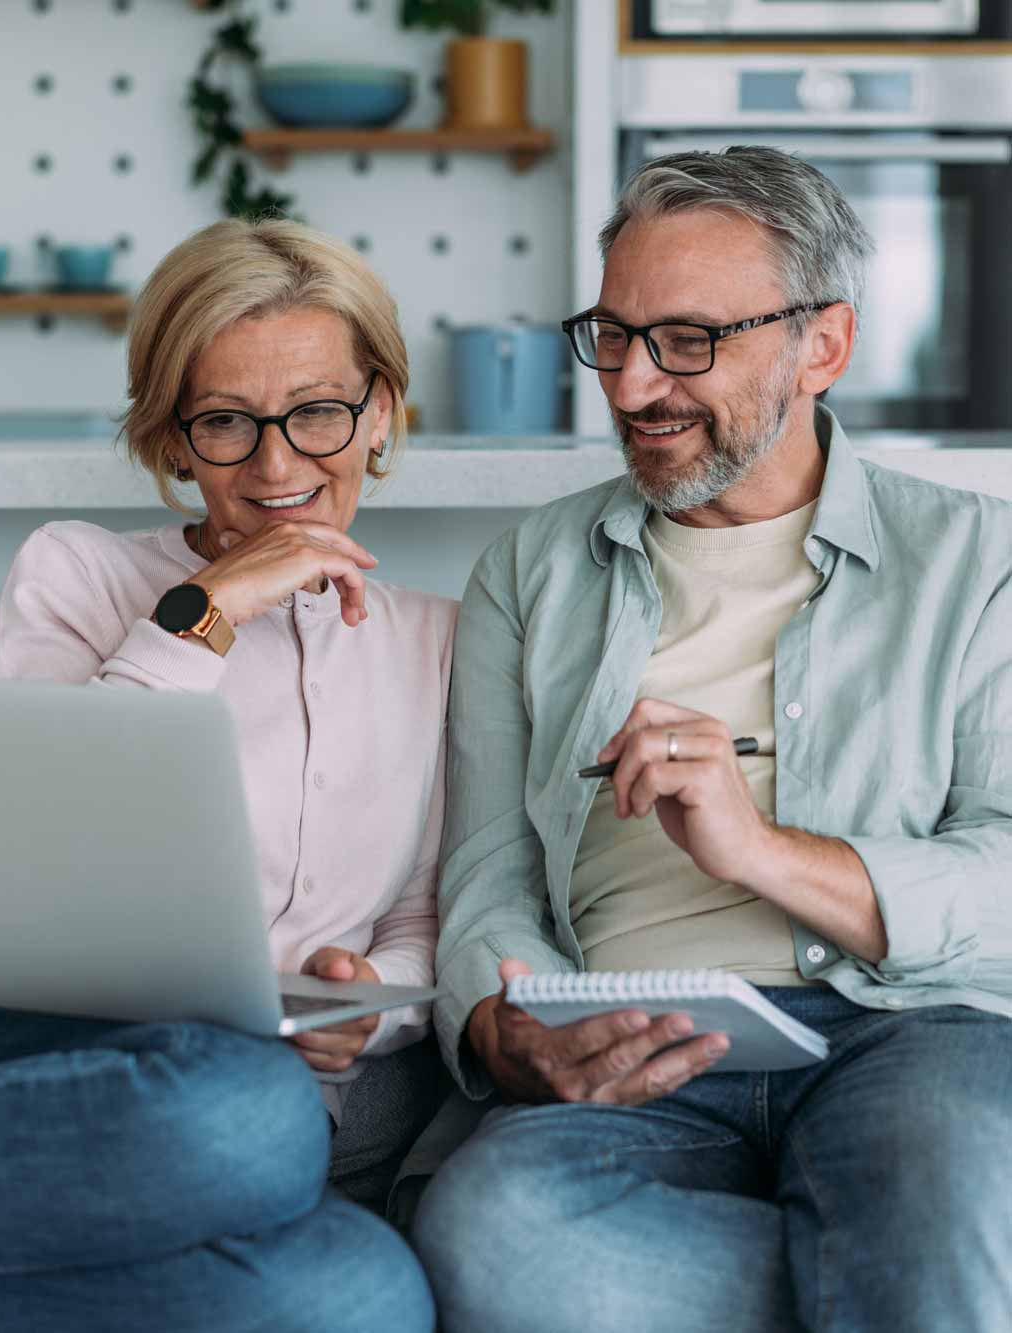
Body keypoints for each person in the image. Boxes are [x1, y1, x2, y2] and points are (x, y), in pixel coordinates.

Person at [411, 146, 1012, 1332]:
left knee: (945, 1189)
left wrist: (758, 850)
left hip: (913, 1025)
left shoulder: (980, 562)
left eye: (689, 341)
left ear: (821, 347)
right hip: (631, 1032)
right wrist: (507, 1024)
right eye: (615, 336)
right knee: (493, 1233)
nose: (634, 388)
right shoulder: (532, 570)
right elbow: (488, 869)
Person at [0, 218, 453, 1331]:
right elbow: (39, 862)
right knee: (247, 1115)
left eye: (317, 412)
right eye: (227, 423)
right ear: (173, 440)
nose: (277, 466)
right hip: (66, 1055)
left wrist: (370, 1005)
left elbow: (425, 911)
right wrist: (210, 608)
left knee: (366, 1301)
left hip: (288, 1101)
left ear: (378, 413)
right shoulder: (79, 572)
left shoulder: (441, 641)